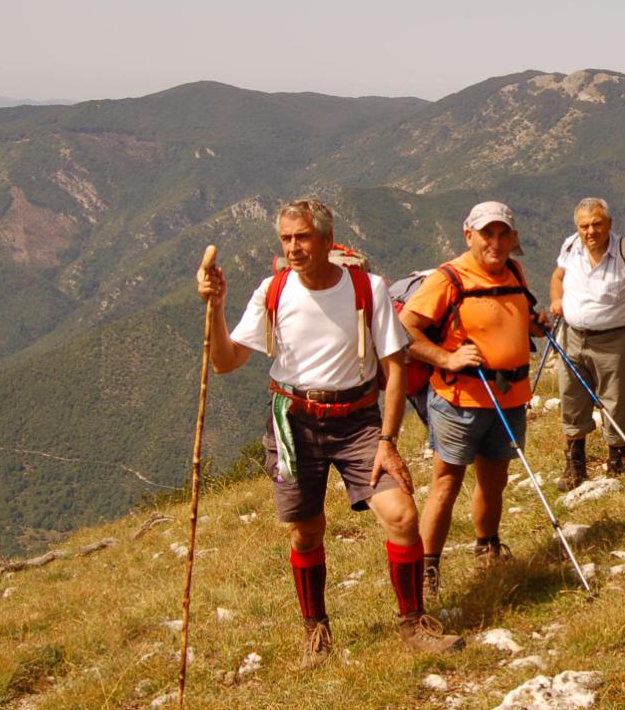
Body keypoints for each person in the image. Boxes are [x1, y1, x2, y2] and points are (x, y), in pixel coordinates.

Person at [196, 198, 461, 667]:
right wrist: (216, 307)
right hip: (293, 420)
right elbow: (224, 361)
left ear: (325, 240)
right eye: (285, 238)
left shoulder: (367, 287)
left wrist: (388, 441)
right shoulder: (272, 291)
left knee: (400, 515)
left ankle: (413, 622)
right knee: (306, 532)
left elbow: (394, 368)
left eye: (301, 237)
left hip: (359, 421)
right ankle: (316, 631)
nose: (293, 248)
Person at [399, 201, 547, 599]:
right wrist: (446, 357)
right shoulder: (449, 278)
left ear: (513, 238)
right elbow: (405, 329)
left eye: (503, 234)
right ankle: (427, 568)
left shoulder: (514, 270)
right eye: (487, 234)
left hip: (509, 398)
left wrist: (535, 323)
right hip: (459, 399)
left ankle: (487, 547)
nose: (495, 243)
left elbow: (511, 314)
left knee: (495, 481)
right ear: (469, 235)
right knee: (446, 483)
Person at [550, 198, 625, 489]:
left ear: (609, 224)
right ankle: (574, 466)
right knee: (572, 399)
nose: (590, 231)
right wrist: (556, 300)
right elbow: (558, 276)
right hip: (574, 337)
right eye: (584, 226)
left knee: (615, 402)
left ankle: (616, 464)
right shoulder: (570, 247)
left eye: (597, 224)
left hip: (616, 340)